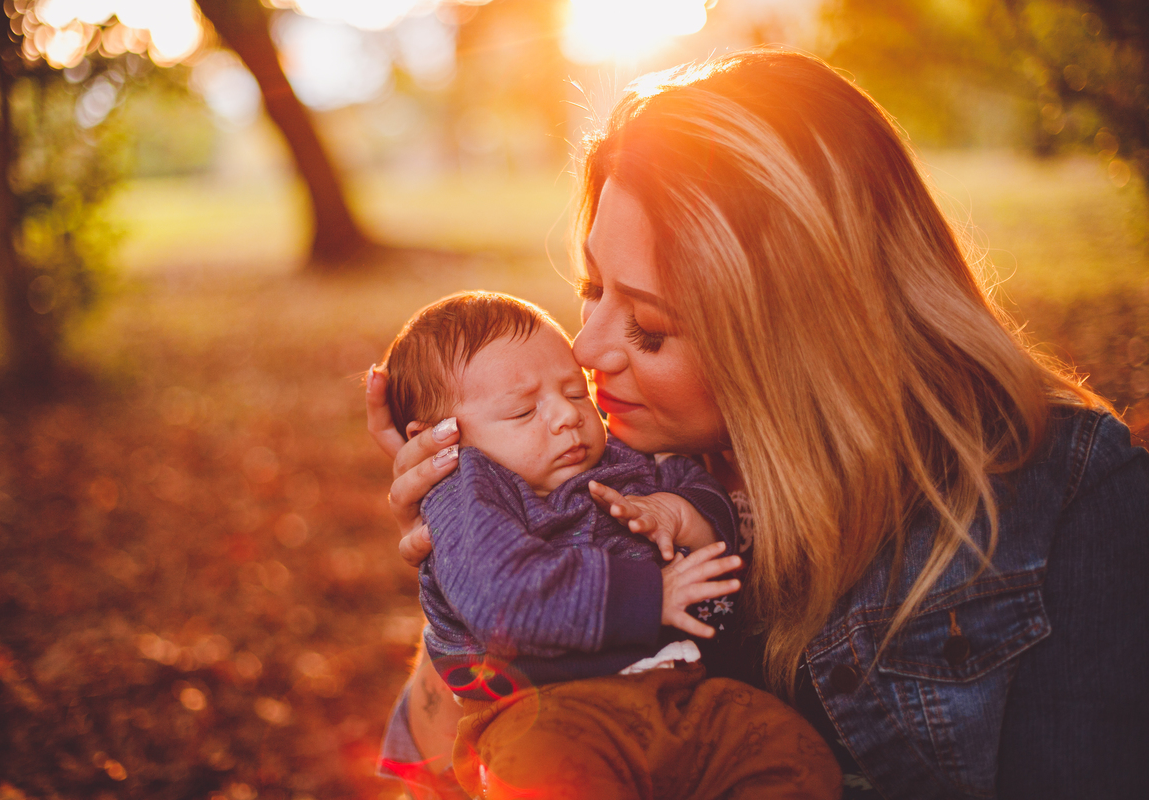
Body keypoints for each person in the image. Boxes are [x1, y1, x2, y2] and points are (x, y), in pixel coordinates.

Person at [367, 49, 1149, 800]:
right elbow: (445, 768)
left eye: (648, 325)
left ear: (800, 336)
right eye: (591, 286)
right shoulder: (618, 465)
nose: (588, 348)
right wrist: (463, 548)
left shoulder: (1066, 503)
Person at [377, 290, 842, 800]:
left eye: (576, 392)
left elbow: (695, 489)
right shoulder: (465, 489)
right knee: (552, 779)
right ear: (443, 438)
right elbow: (501, 595)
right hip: (545, 713)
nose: (568, 416)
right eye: (522, 411)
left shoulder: (621, 454)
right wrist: (651, 595)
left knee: (786, 748)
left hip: (682, 693)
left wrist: (680, 513)